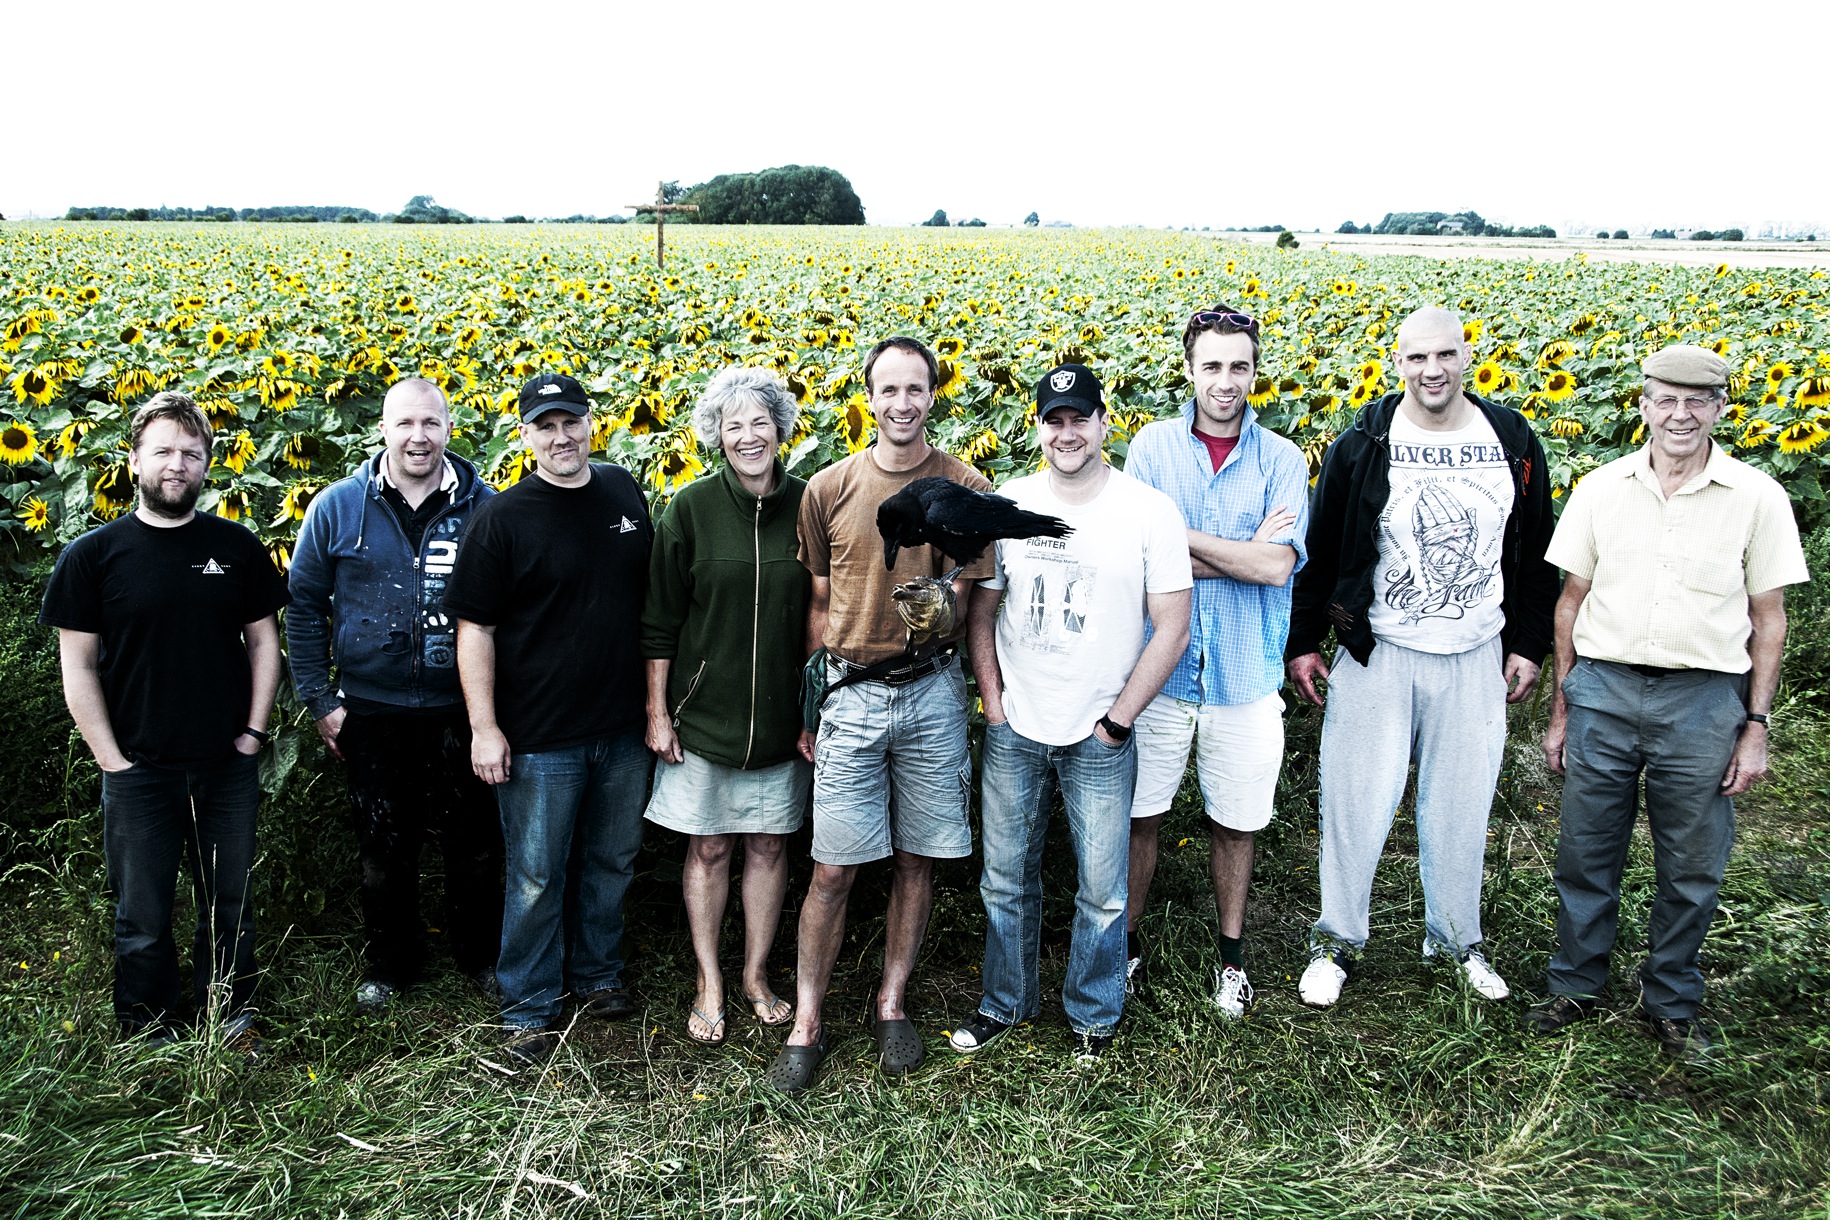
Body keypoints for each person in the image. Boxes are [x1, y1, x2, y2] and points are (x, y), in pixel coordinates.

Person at [1527, 344, 1806, 1060]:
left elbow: (1768, 617)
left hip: (1704, 700)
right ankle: (1574, 987)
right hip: (1605, 692)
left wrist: (1756, 726)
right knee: (1587, 852)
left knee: (1692, 863)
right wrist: (1562, 711)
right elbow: (1570, 606)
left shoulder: (1756, 496)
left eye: (1698, 401)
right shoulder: (1600, 488)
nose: (1681, 415)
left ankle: (1671, 1000)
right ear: (1644, 406)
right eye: (1666, 400)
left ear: (1719, 409)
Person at [1286, 306, 1557, 1007]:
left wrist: (1529, 643)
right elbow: (1323, 551)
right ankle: (1336, 941)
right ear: (1396, 361)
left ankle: (1456, 939)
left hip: (1474, 652)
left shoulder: (1512, 438)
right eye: (1416, 358)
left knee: (1462, 805)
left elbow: (1536, 553)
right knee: (1354, 802)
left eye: (1445, 356)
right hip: (1380, 651)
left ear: (1468, 355)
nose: (1432, 371)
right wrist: (1303, 642)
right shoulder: (1364, 441)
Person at [765, 336, 993, 1093]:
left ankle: (891, 1002)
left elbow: (974, 599)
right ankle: (806, 1020)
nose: (902, 404)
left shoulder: (965, 485)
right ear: (867, 397)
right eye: (887, 390)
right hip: (850, 695)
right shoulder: (828, 488)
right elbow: (820, 607)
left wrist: (947, 613)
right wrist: (809, 708)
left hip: (930, 692)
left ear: (934, 396)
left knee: (915, 860)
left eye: (915, 389)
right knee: (831, 867)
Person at [951, 364, 1191, 1062]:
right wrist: (993, 704)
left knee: (1103, 890)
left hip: (1101, 735)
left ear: (1103, 423)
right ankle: (1005, 1002)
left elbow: (1172, 625)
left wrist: (1118, 719)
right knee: (1004, 877)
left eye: (1079, 418)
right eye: (1054, 420)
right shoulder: (1009, 502)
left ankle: (1092, 1013)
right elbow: (983, 609)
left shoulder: (1147, 510)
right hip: (1017, 727)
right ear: (1039, 428)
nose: (1067, 432)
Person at [39, 392, 288, 1046]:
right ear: (134, 461)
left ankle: (229, 1017)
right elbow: (79, 667)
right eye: (164, 451)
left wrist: (253, 734)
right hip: (139, 768)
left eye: (191, 453)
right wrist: (110, 758)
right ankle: (145, 1029)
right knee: (143, 915)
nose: (177, 464)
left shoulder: (235, 547)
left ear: (206, 464)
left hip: (224, 766)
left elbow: (265, 644)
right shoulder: (92, 557)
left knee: (227, 906)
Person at [443, 372, 654, 1065]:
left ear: (592, 423)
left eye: (571, 421)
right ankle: (529, 1001)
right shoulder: (502, 519)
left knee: (612, 858)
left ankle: (596, 973)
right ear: (524, 435)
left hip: (623, 725)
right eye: (545, 425)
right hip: (538, 734)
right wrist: (485, 727)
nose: (561, 436)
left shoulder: (623, 492)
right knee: (535, 872)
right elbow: (474, 629)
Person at [287, 377, 505, 1012]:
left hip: (461, 706)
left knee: (474, 844)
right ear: (382, 428)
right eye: (405, 424)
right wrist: (320, 700)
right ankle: (391, 965)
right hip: (371, 709)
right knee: (384, 845)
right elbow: (303, 606)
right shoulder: (337, 507)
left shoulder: (484, 509)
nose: (418, 437)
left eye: (431, 424)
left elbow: (508, 612)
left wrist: (497, 710)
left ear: (449, 428)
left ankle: (479, 958)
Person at [1122, 307, 1310, 1018]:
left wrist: (1182, 545)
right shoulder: (1151, 448)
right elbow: (1140, 562)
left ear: (1255, 371)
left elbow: (1275, 569)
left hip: (1245, 674)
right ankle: (1127, 948)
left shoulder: (1284, 460)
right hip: (1158, 674)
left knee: (1237, 822)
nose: (1226, 382)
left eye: (1239, 366)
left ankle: (1231, 960)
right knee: (1142, 816)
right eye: (1213, 366)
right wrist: (1241, 551)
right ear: (1189, 369)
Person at [641, 367, 811, 1046]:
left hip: (782, 719)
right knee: (708, 848)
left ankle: (755, 974)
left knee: (770, 847)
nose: (748, 436)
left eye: (760, 422)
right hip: (702, 718)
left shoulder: (809, 503)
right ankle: (709, 979)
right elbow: (659, 621)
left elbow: (824, 611)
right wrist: (657, 711)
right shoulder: (689, 509)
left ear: (780, 430)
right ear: (716, 435)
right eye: (733, 425)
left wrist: (816, 709)